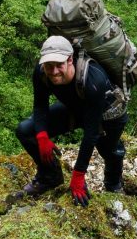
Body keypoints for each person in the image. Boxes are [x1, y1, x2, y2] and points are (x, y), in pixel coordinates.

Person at [16, 35, 126, 204]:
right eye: (48, 66)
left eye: (59, 65)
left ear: (70, 60)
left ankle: (113, 185)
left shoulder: (93, 80)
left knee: (110, 152)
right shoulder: (41, 72)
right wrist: (42, 136)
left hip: (107, 114)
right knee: (26, 131)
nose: (53, 72)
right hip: (74, 109)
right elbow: (40, 106)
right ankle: (50, 176)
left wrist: (78, 175)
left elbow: (91, 132)